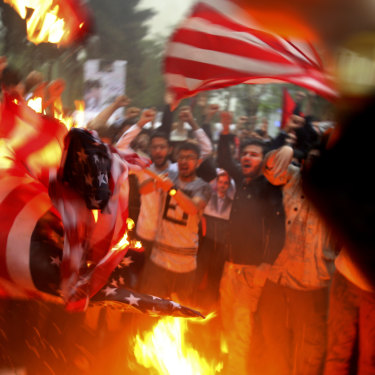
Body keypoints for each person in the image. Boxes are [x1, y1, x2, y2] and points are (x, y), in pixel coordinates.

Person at [252, 144, 337, 375]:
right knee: (274, 342)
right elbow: (274, 162)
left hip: (314, 283)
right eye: (310, 160)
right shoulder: (293, 179)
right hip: (279, 277)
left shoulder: (340, 193)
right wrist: (286, 148)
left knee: (310, 350)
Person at [217, 111, 285, 375]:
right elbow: (224, 159)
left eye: (254, 154)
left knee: (241, 329)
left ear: (264, 161)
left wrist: (266, 264)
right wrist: (225, 129)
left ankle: (237, 370)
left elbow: (279, 230)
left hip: (251, 272)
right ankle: (225, 367)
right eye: (245, 153)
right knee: (227, 324)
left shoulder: (269, 188)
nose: (247, 157)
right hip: (229, 267)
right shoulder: (243, 182)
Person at [138, 142, 212, 306]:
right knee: (150, 309)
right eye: (181, 157)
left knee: (178, 316)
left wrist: (172, 189)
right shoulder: (169, 175)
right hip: (159, 258)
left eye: (190, 157)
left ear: (198, 162)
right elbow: (143, 190)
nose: (184, 161)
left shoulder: (204, 187)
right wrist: (157, 182)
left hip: (185, 264)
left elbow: (193, 208)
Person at [195, 169, 234, 311]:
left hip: (221, 247)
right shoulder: (207, 199)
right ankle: (191, 302)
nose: (223, 185)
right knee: (198, 273)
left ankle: (210, 308)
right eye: (220, 182)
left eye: (226, 183)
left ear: (229, 185)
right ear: (216, 183)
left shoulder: (231, 203)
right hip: (206, 243)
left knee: (215, 277)